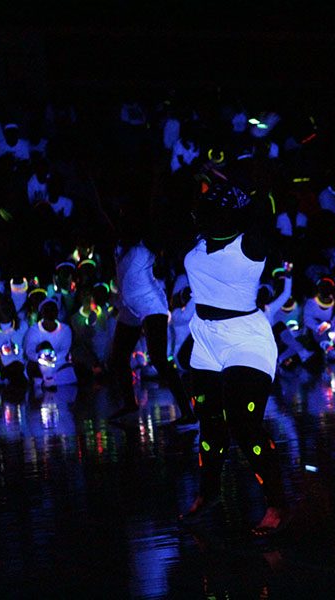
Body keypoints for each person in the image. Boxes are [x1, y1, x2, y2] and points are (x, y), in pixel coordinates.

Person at [179, 174, 289, 535]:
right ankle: (208, 493)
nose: (199, 213)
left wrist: (248, 182)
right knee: (210, 425)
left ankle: (276, 503)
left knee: (244, 426)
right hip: (206, 338)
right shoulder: (199, 240)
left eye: (207, 208)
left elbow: (267, 204)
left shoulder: (250, 244)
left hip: (246, 339)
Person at [107, 205, 195, 425]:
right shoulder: (119, 246)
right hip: (129, 307)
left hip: (151, 306)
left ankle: (188, 411)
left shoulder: (145, 246)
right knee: (118, 357)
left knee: (158, 359)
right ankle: (130, 404)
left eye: (126, 220)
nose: (121, 224)